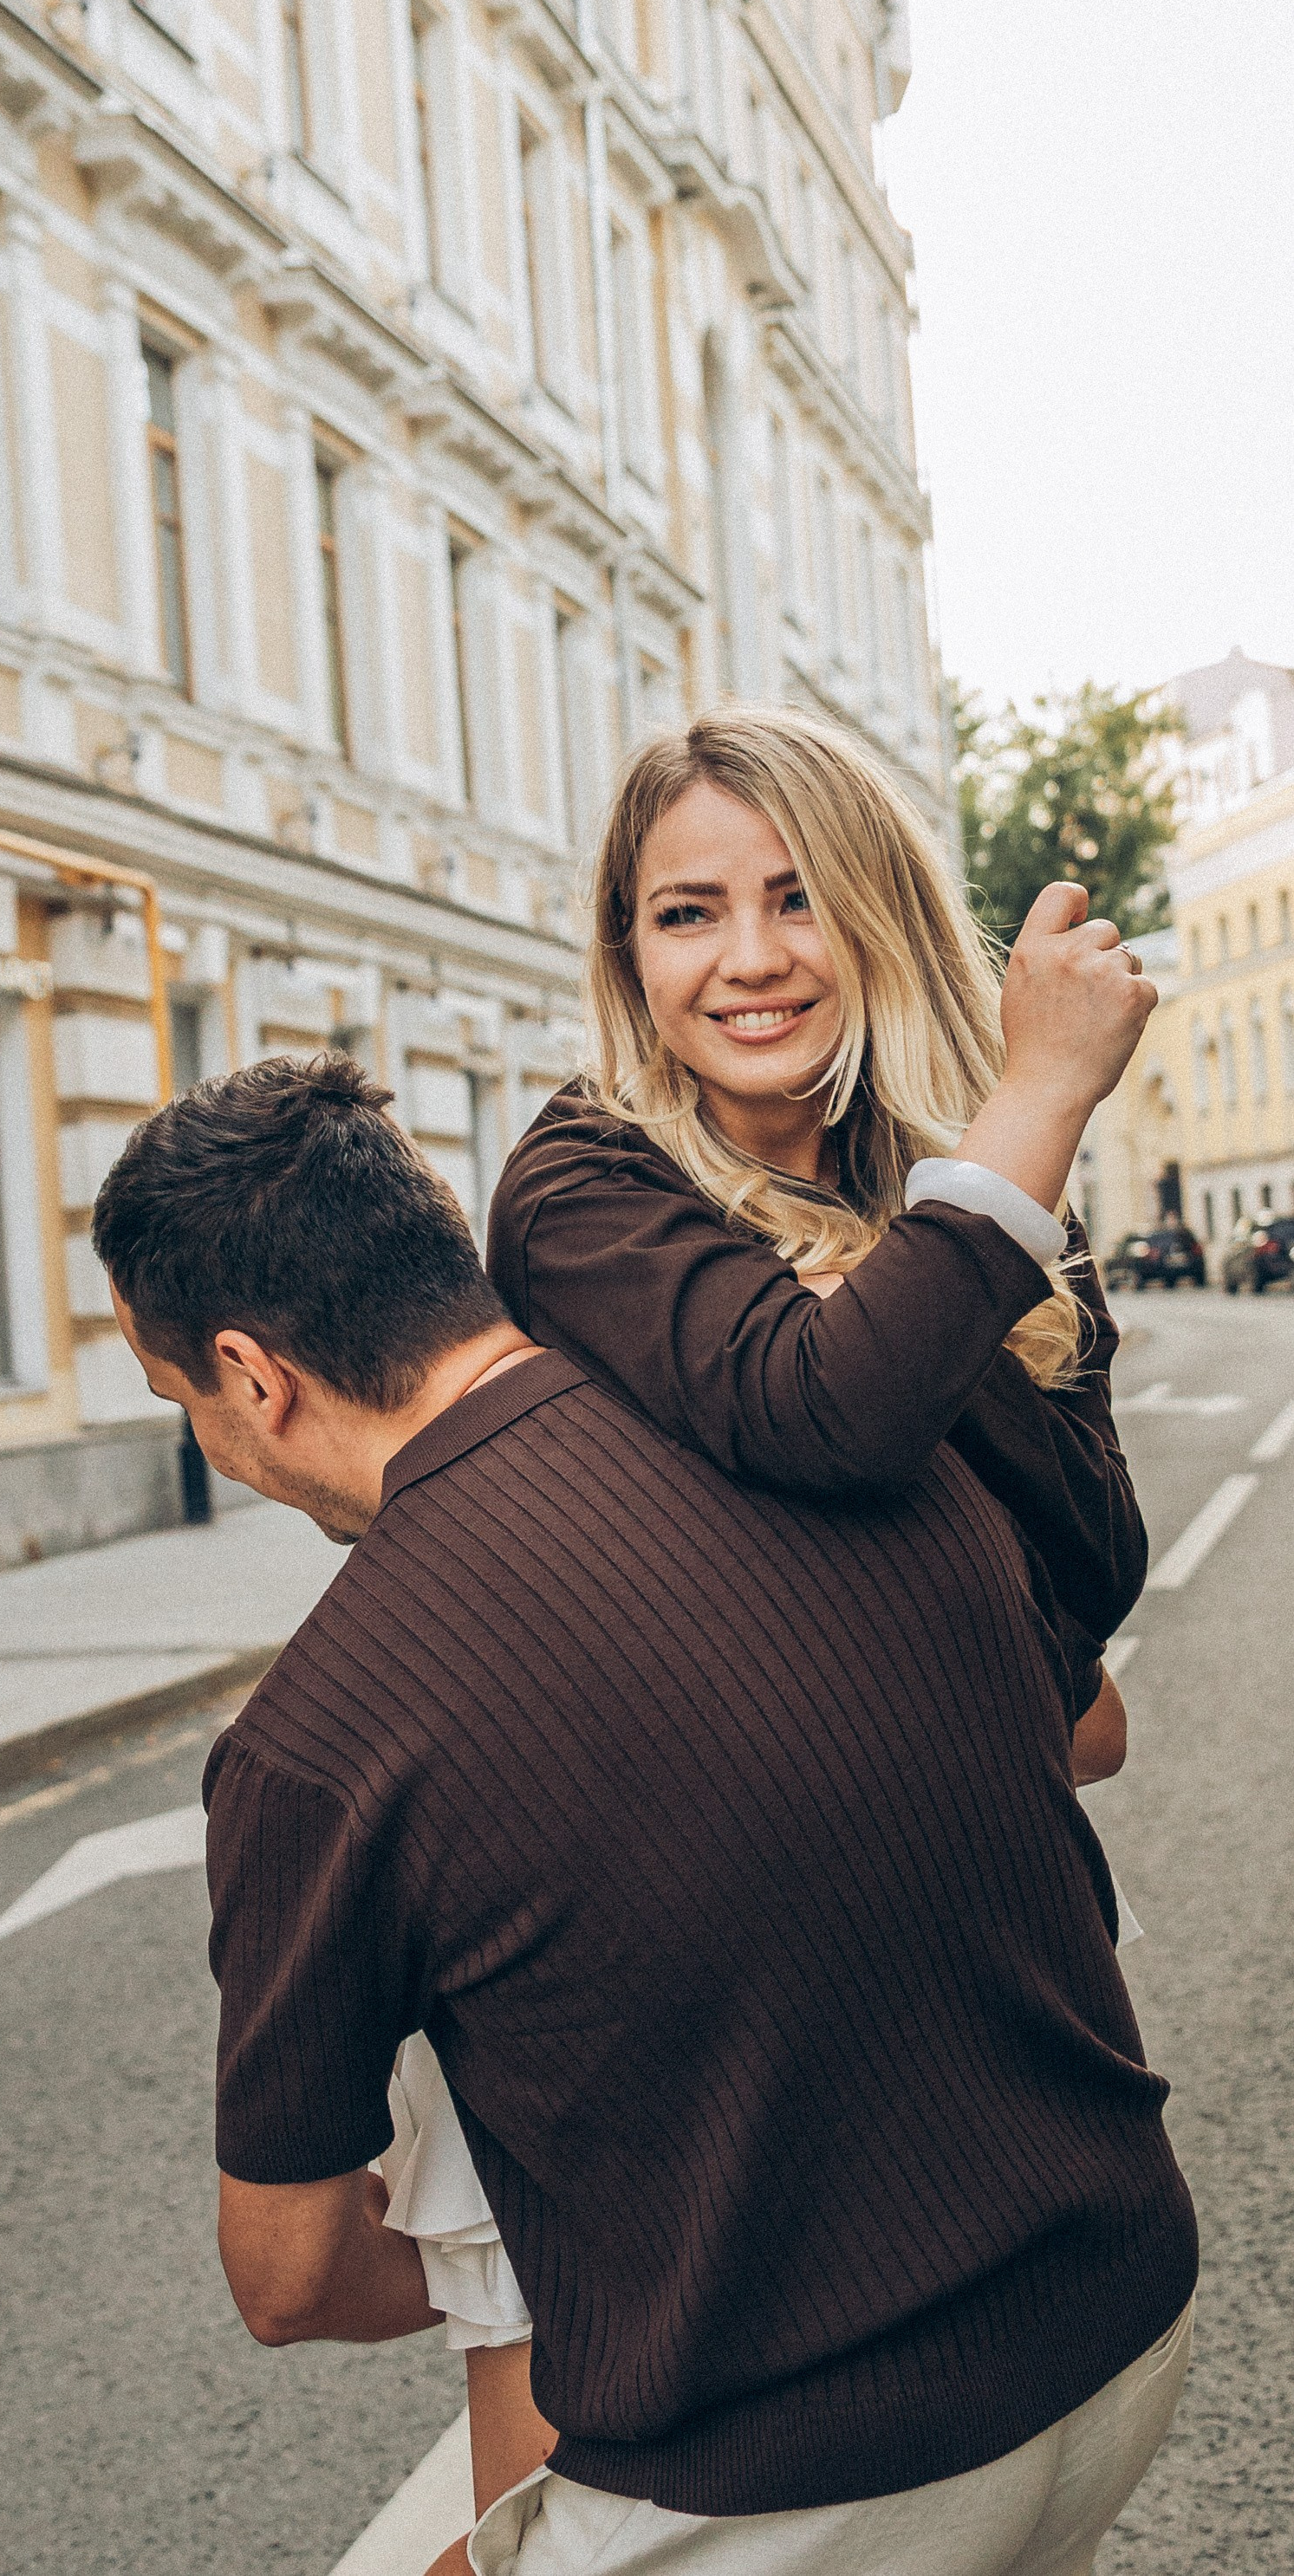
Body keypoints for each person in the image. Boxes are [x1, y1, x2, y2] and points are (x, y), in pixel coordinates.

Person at [91, 1056, 1197, 2576]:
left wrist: (587, 2231)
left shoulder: (316, 1743)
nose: (214, 1439)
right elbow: (1083, 1725)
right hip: (1124, 2325)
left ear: (254, 1374)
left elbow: (287, 2273)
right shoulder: (819, 1433)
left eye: (185, 1404)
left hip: (806, 2487)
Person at [415, 706, 1162, 2531]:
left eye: (792, 899)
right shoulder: (585, 1184)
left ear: (876, 915)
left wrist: (924, 1242)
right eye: (684, 915)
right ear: (626, 957)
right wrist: (1021, 1129)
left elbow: (1091, 1564)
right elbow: (824, 1415)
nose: (745, 960)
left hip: (970, 1981)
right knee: (613, 2405)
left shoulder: (947, 1186)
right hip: (686, 1968)